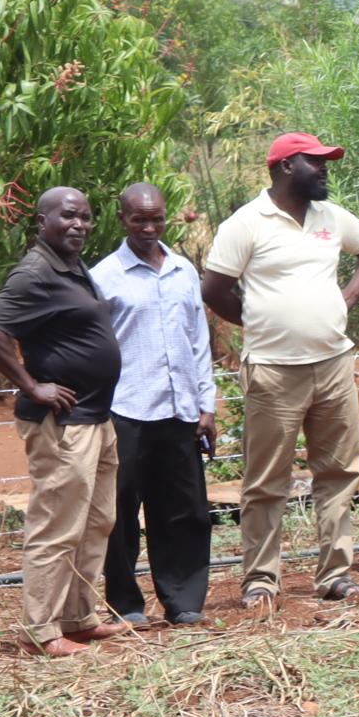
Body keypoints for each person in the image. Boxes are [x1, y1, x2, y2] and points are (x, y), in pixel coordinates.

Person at [203, 135, 359, 609]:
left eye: (327, 161)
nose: (325, 169)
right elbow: (214, 289)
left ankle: (336, 575)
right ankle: (261, 580)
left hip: (333, 364)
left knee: (338, 473)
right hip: (272, 371)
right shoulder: (246, 223)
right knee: (267, 481)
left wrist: (349, 297)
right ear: (286, 166)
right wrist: (257, 320)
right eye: (316, 162)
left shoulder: (331, 217)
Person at [0, 189, 127, 656]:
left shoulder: (72, 266)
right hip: (63, 423)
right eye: (68, 216)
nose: (79, 224)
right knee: (57, 526)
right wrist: (31, 385)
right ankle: (41, 630)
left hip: (96, 418)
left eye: (85, 216)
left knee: (97, 521)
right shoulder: (35, 272)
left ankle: (78, 618)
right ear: (42, 221)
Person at [93, 183, 218, 626]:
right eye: (139, 219)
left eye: (157, 219)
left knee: (185, 510)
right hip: (126, 409)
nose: (149, 228)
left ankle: (183, 601)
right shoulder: (103, 277)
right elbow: (96, 346)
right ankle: (126, 603)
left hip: (180, 409)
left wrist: (207, 404)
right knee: (120, 511)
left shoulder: (184, 271)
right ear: (122, 219)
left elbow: (198, 341)